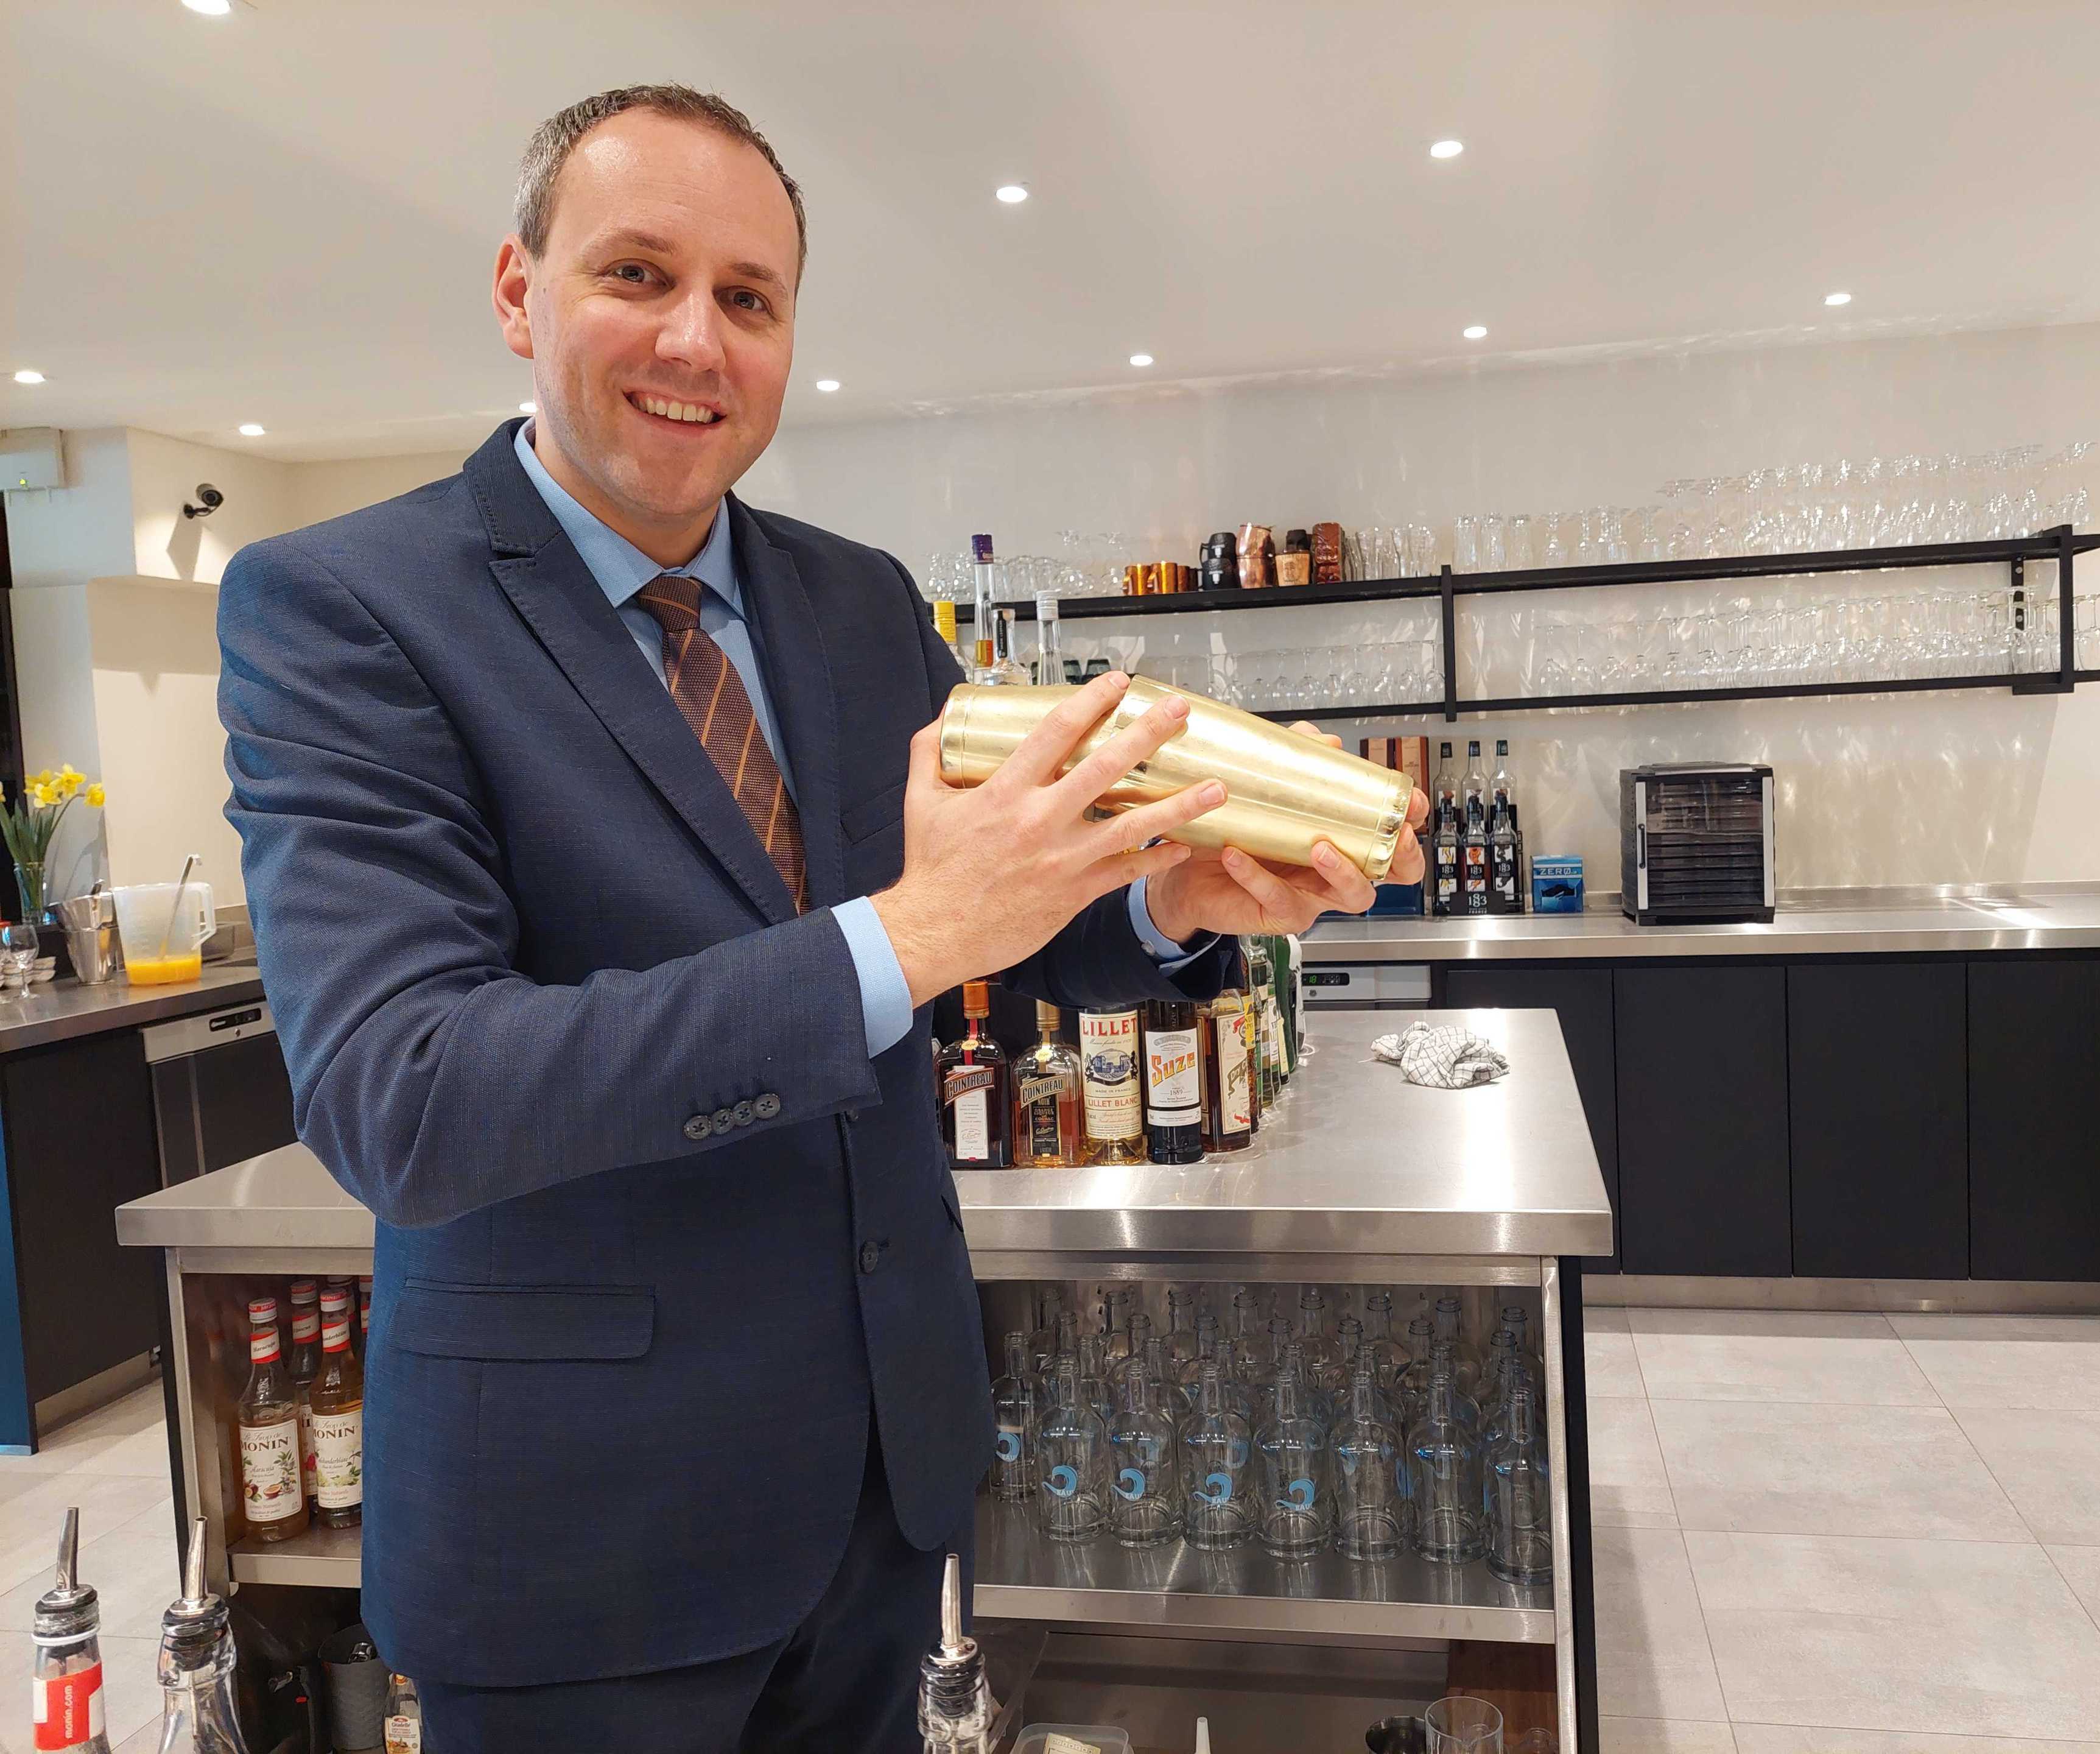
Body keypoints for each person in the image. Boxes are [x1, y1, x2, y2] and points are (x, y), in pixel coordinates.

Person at [216, 83, 1424, 1753]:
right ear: (518, 289)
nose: (695, 341)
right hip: (581, 1544)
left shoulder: (854, 599)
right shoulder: (344, 607)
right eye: (637, 274)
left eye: (750, 298)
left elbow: (998, 910)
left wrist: (1160, 899)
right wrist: (907, 938)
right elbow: (403, 1096)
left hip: (877, 1490)